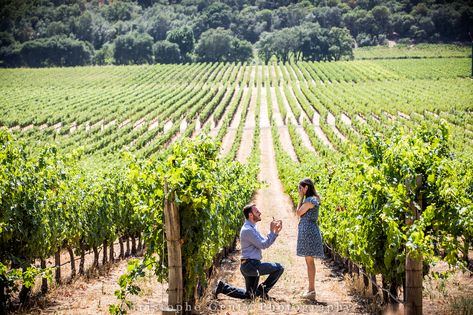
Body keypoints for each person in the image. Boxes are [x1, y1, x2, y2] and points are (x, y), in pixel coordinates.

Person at [213, 203, 284, 300]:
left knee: (250, 295)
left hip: (249, 265)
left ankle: (223, 288)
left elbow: (264, 241)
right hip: (251, 265)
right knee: (279, 268)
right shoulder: (247, 230)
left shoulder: (252, 227)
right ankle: (262, 292)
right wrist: (272, 231)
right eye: (257, 212)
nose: (260, 213)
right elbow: (264, 245)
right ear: (251, 215)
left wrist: (275, 232)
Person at [296, 178, 324, 300]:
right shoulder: (311, 199)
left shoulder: (311, 200)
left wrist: (301, 197)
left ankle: (311, 291)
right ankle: (310, 290)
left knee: (310, 261)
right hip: (307, 231)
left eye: (300, 188)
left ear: (306, 187)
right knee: (308, 261)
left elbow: (298, 212)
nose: (299, 190)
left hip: (309, 232)